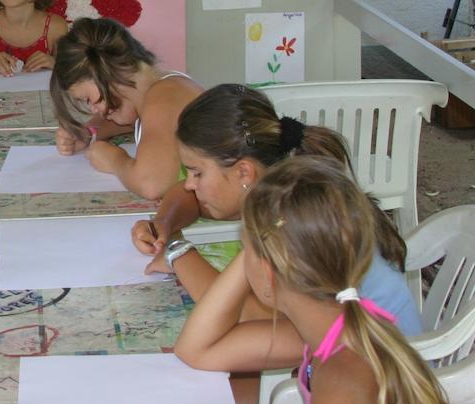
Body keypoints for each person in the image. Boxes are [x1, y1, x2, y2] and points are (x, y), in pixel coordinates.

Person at [124, 157, 466, 404]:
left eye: (246, 253)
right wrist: (263, 250)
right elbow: (197, 350)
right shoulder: (332, 326)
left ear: (269, 272)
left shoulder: (346, 369)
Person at [131, 84, 422, 336]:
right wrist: (164, 224)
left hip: (382, 369)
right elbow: (188, 197)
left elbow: (246, 313)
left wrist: (178, 251)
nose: (190, 184)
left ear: (244, 173)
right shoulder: (282, 184)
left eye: (196, 172)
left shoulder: (291, 221)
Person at [50, 17, 202, 199]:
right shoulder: (160, 88)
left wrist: (115, 160)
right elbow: (133, 124)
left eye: (89, 99)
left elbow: (151, 184)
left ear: (108, 74)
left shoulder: (166, 98)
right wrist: (88, 132)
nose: (93, 109)